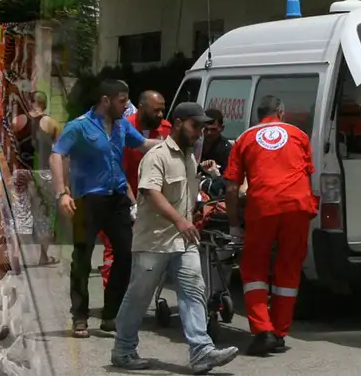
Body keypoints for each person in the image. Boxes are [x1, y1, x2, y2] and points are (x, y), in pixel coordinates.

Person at [111, 102, 239, 373]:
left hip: (183, 241)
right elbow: (150, 192)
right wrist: (180, 220)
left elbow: (188, 195)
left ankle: (201, 350)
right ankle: (123, 349)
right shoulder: (157, 155)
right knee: (139, 296)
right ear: (179, 122)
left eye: (203, 128)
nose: (200, 133)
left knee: (194, 290)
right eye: (195, 126)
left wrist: (194, 211)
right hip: (154, 241)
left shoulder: (189, 157)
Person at [50, 79, 163, 338]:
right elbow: (57, 154)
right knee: (82, 258)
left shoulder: (122, 126)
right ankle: (80, 317)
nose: (126, 107)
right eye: (122, 101)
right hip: (87, 201)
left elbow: (143, 145)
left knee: (126, 254)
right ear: (105, 100)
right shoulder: (79, 126)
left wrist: (171, 144)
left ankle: (110, 314)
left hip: (118, 199)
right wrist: (61, 192)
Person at [224, 95, 319, 356]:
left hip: (264, 206)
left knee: (253, 268)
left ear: (258, 115)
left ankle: (263, 330)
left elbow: (232, 187)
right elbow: (308, 174)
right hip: (297, 206)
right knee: (288, 269)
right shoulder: (299, 135)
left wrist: (234, 223)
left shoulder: (245, 138)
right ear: (281, 112)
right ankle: (279, 332)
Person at [101, 90, 171, 289]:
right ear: (141, 108)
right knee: (116, 251)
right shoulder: (122, 129)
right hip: (123, 198)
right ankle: (112, 302)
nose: (160, 115)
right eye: (156, 110)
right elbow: (118, 170)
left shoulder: (166, 129)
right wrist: (132, 205)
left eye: (162, 110)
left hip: (153, 203)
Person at [12, 90, 63, 266]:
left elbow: (11, 147)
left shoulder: (17, 121)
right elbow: (58, 154)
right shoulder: (52, 124)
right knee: (45, 215)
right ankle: (43, 256)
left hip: (21, 172)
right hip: (43, 172)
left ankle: (16, 255)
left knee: (20, 211)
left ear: (29, 102)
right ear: (45, 104)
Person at [198, 108, 233, 196]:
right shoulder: (194, 144)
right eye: (205, 129)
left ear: (222, 128)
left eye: (213, 129)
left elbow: (229, 181)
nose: (209, 133)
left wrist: (215, 173)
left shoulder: (226, 150)